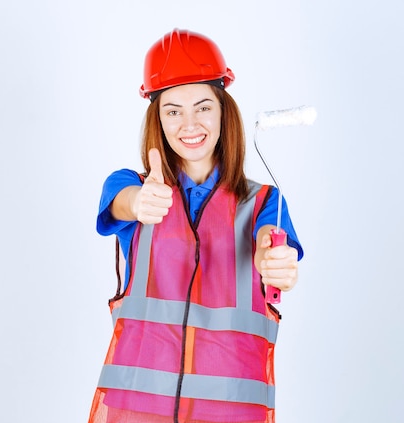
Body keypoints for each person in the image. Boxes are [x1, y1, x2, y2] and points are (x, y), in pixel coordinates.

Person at [88, 28, 304, 423]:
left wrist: (275, 261)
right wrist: (139, 202)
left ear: (224, 110)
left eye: (203, 107)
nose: (189, 123)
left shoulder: (262, 205)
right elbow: (121, 204)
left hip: (230, 411)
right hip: (138, 411)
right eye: (173, 111)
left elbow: (272, 249)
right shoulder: (131, 188)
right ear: (158, 117)